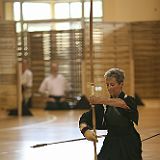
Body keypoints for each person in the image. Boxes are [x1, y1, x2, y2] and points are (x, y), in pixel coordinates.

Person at [79, 68, 142, 160]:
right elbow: (85, 118)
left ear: (121, 84)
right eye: (107, 85)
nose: (109, 88)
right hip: (111, 141)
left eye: (112, 84)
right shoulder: (104, 105)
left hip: (129, 142)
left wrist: (100, 100)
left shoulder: (129, 100)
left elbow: (122, 104)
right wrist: (85, 131)